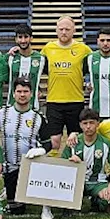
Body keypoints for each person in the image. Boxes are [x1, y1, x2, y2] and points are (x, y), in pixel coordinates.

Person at [0, 78, 47, 218]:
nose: (22, 95)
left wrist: (41, 150)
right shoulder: (1, 113)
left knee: (26, 202)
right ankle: (8, 191)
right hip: (9, 168)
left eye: (25, 91)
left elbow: (48, 142)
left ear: (32, 94)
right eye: (19, 91)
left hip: (30, 168)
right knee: (17, 209)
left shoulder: (38, 117)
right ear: (13, 93)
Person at [40, 15, 92, 151]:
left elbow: (95, 66)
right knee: (54, 141)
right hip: (54, 101)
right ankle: (54, 169)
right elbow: (35, 68)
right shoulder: (48, 49)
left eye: (67, 29)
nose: (64, 32)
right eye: (61, 29)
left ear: (73, 30)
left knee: (75, 140)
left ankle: (75, 169)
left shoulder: (83, 49)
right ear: (56, 30)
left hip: (75, 101)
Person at [59, 108, 110, 214]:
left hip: (98, 183)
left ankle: (96, 200)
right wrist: (71, 163)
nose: (88, 127)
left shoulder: (106, 143)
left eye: (91, 123)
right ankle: (82, 201)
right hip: (77, 182)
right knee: (66, 203)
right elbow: (62, 166)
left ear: (98, 123)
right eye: (85, 123)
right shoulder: (73, 142)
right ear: (80, 125)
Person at [85, 28, 110, 118]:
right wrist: (87, 84)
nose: (105, 43)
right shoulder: (90, 57)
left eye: (108, 40)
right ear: (97, 41)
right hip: (96, 107)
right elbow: (81, 73)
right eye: (102, 40)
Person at [7, 24, 47, 109]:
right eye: (20, 37)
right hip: (11, 106)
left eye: (26, 37)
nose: (23, 40)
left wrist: (39, 89)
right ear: (16, 39)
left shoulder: (41, 58)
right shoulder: (10, 57)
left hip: (33, 107)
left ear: (31, 38)